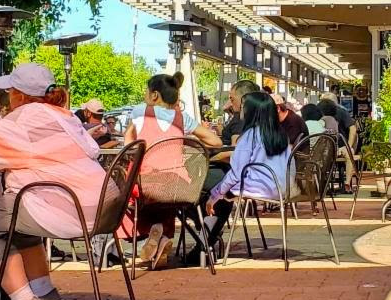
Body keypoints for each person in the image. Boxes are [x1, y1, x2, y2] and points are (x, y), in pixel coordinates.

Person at [0, 63, 105, 300]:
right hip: (100, 207)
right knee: (16, 218)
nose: (7, 97)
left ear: (19, 96)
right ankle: (44, 292)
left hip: (67, 210)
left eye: (9, 92)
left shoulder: (23, 119)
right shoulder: (65, 116)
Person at [122, 72, 222, 269]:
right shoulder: (183, 118)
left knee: (127, 194)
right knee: (166, 199)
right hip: (180, 186)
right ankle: (161, 238)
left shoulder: (140, 111)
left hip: (148, 185)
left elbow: (128, 143)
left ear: (154, 95)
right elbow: (215, 141)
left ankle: (148, 233)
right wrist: (187, 143)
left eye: (147, 90)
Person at [187, 92, 292, 262]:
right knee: (220, 194)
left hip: (257, 187)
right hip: (282, 189)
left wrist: (215, 195)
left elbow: (236, 173)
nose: (241, 109)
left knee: (206, 193)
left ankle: (204, 242)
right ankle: (206, 240)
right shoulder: (281, 135)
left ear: (252, 111)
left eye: (244, 106)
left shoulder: (249, 136)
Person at [220, 80, 261, 146]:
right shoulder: (255, 116)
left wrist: (217, 156)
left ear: (243, 99)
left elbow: (235, 148)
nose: (230, 103)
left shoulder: (240, 118)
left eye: (232, 99)